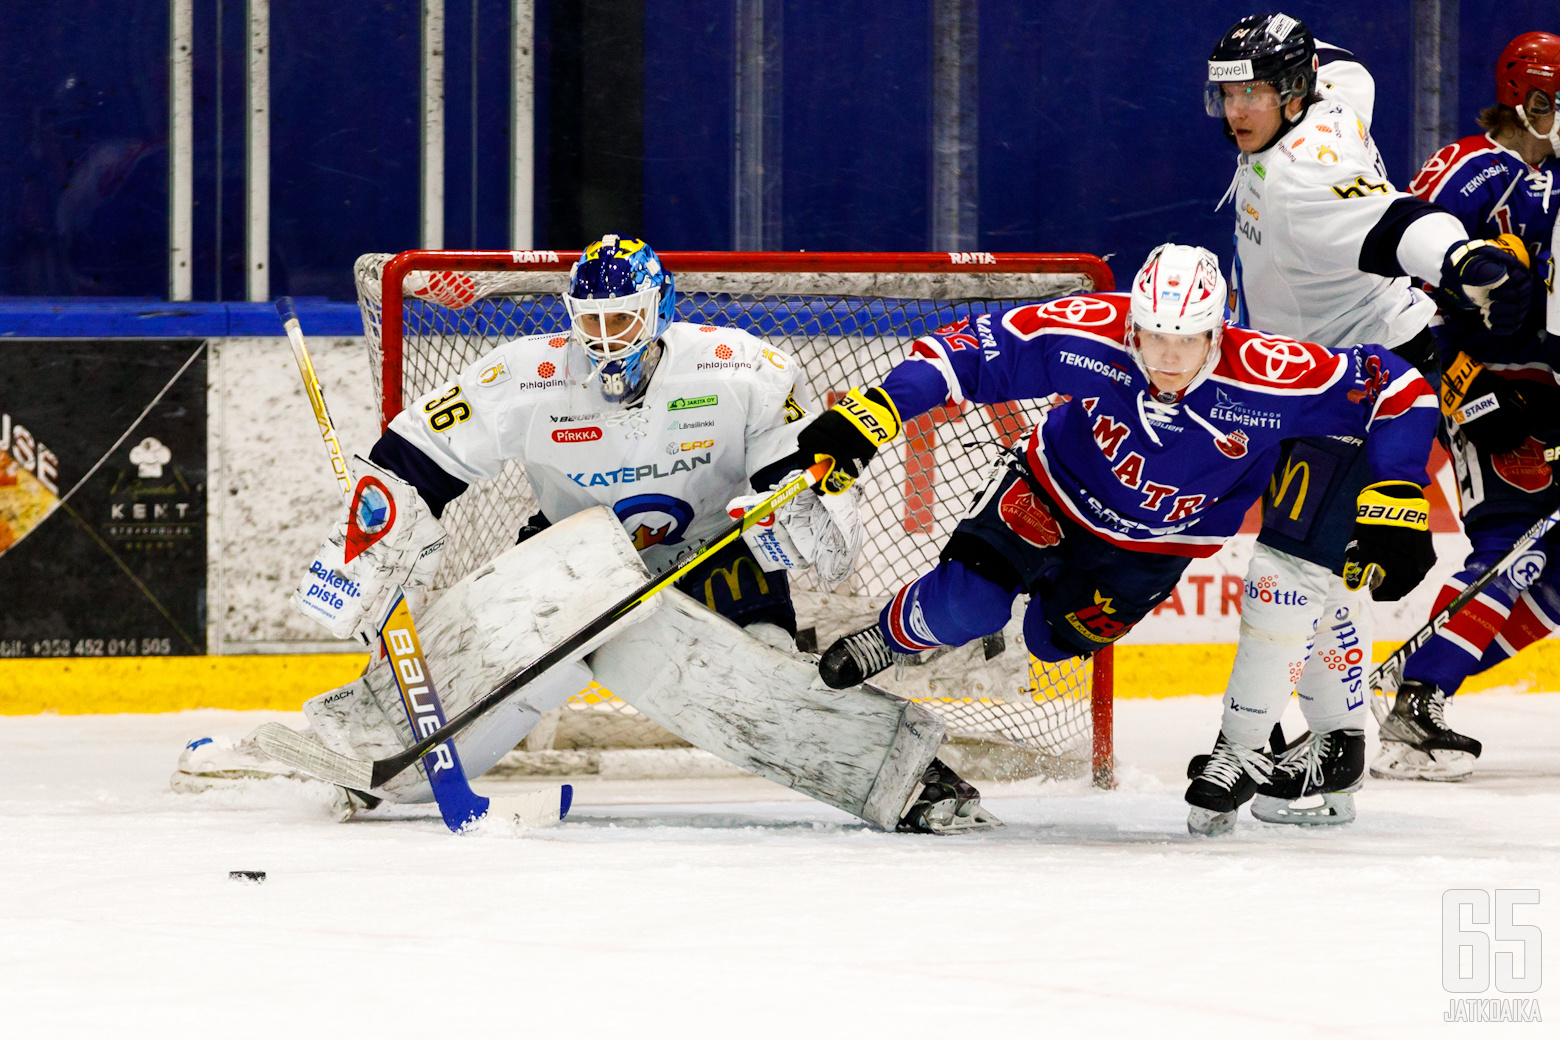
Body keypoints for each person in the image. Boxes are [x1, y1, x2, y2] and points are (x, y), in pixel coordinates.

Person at [174, 235, 994, 833]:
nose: (604, 344)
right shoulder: (528, 373)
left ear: (659, 311)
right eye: (589, 323)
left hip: (718, 559)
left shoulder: (743, 367)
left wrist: (803, 519)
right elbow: (418, 450)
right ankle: (355, 752)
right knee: (493, 665)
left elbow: (810, 474)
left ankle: (907, 779)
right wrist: (372, 542)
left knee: (765, 686)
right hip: (576, 560)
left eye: (622, 322)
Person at [798, 242, 1439, 835]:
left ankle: (1007, 605)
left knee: (1052, 644)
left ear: (1218, 332)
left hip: (1150, 551)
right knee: (967, 604)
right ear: (1134, 320)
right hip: (1051, 494)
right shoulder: (1094, 330)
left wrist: (1400, 493)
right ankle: (890, 636)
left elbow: (1400, 387)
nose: (1165, 357)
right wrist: (875, 409)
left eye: (1186, 341)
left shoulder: (1268, 374)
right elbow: (961, 351)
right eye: (1154, 334)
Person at [1191, 12, 1533, 830]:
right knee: (1326, 569)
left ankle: (1275, 741)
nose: (1237, 110)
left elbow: (1397, 225)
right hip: (1312, 370)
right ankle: (1336, 744)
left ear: (1295, 93)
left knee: (1291, 566)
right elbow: (1347, 65)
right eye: (1227, 92)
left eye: (1255, 93)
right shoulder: (1338, 88)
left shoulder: (1311, 179)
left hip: (1359, 381)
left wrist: (1463, 261)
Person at [1373, 31, 1560, 781]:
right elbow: (1405, 271)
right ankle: (1419, 695)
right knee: (1514, 540)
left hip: (1547, 384)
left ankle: (1427, 673)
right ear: (1529, 99)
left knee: (1551, 573)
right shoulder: (1472, 167)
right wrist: (1461, 381)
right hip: (1485, 387)